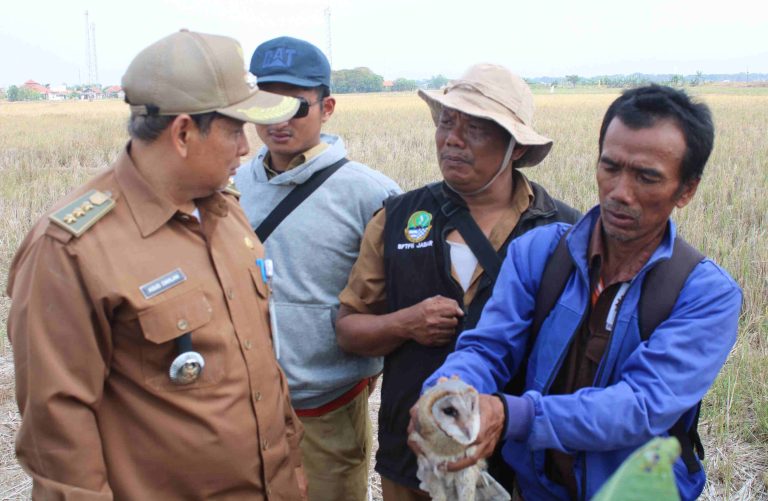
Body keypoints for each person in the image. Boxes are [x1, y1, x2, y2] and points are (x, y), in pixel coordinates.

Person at [6, 30, 308, 500]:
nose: (246, 149)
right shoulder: (71, 250)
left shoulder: (227, 213)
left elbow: (262, 372)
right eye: (234, 131)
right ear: (184, 133)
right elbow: (59, 440)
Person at [418, 84, 742, 500]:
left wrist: (514, 414)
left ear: (687, 190)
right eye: (610, 167)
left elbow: (639, 406)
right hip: (537, 490)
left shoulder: (705, 294)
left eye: (646, 177)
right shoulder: (539, 253)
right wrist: (446, 390)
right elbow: (488, 348)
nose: (620, 193)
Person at [335, 63, 580, 500]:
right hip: (411, 458)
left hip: (518, 468)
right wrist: (405, 324)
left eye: (477, 128)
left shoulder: (562, 233)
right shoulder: (396, 219)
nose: (452, 139)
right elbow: (349, 330)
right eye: (447, 122)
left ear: (516, 148)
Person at [234, 36, 401, 501]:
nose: (279, 119)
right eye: (267, 103)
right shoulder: (229, 185)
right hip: (242, 409)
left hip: (327, 409)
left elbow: (386, 303)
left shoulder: (371, 194)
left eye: (296, 106)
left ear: (327, 107)